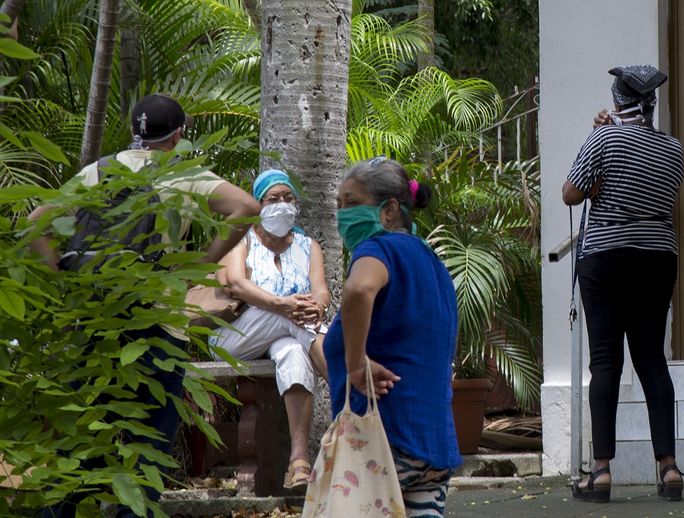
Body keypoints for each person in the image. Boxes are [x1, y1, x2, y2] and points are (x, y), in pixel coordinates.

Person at [29, 94, 261, 517]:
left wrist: (62, 279)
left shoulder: (97, 171)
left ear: (134, 132)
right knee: (149, 446)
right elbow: (247, 207)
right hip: (156, 326)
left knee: (83, 439)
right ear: (177, 135)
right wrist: (200, 266)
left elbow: (34, 223)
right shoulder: (182, 171)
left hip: (93, 324)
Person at [562, 65, 684, 503]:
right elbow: (660, 193)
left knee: (606, 363)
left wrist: (598, 173)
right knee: (652, 360)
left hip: (606, 260)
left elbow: (570, 193)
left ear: (617, 101)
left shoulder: (604, 138)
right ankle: (669, 469)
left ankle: (601, 473)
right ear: (650, 105)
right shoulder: (673, 149)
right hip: (657, 259)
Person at [323, 157, 461, 517]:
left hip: (385, 440)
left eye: (351, 203)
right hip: (432, 445)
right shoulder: (434, 264)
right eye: (338, 205)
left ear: (389, 210)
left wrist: (355, 365)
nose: (342, 215)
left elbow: (358, 289)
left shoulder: (377, 249)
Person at [209, 168, 330, 489]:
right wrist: (284, 305)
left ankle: (299, 462)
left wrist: (316, 306)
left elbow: (321, 291)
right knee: (288, 317)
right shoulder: (242, 238)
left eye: (288, 198)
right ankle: (345, 385)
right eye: (273, 199)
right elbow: (236, 283)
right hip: (234, 337)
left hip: (287, 334)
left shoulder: (308, 245)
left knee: (293, 354)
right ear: (258, 204)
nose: (282, 204)